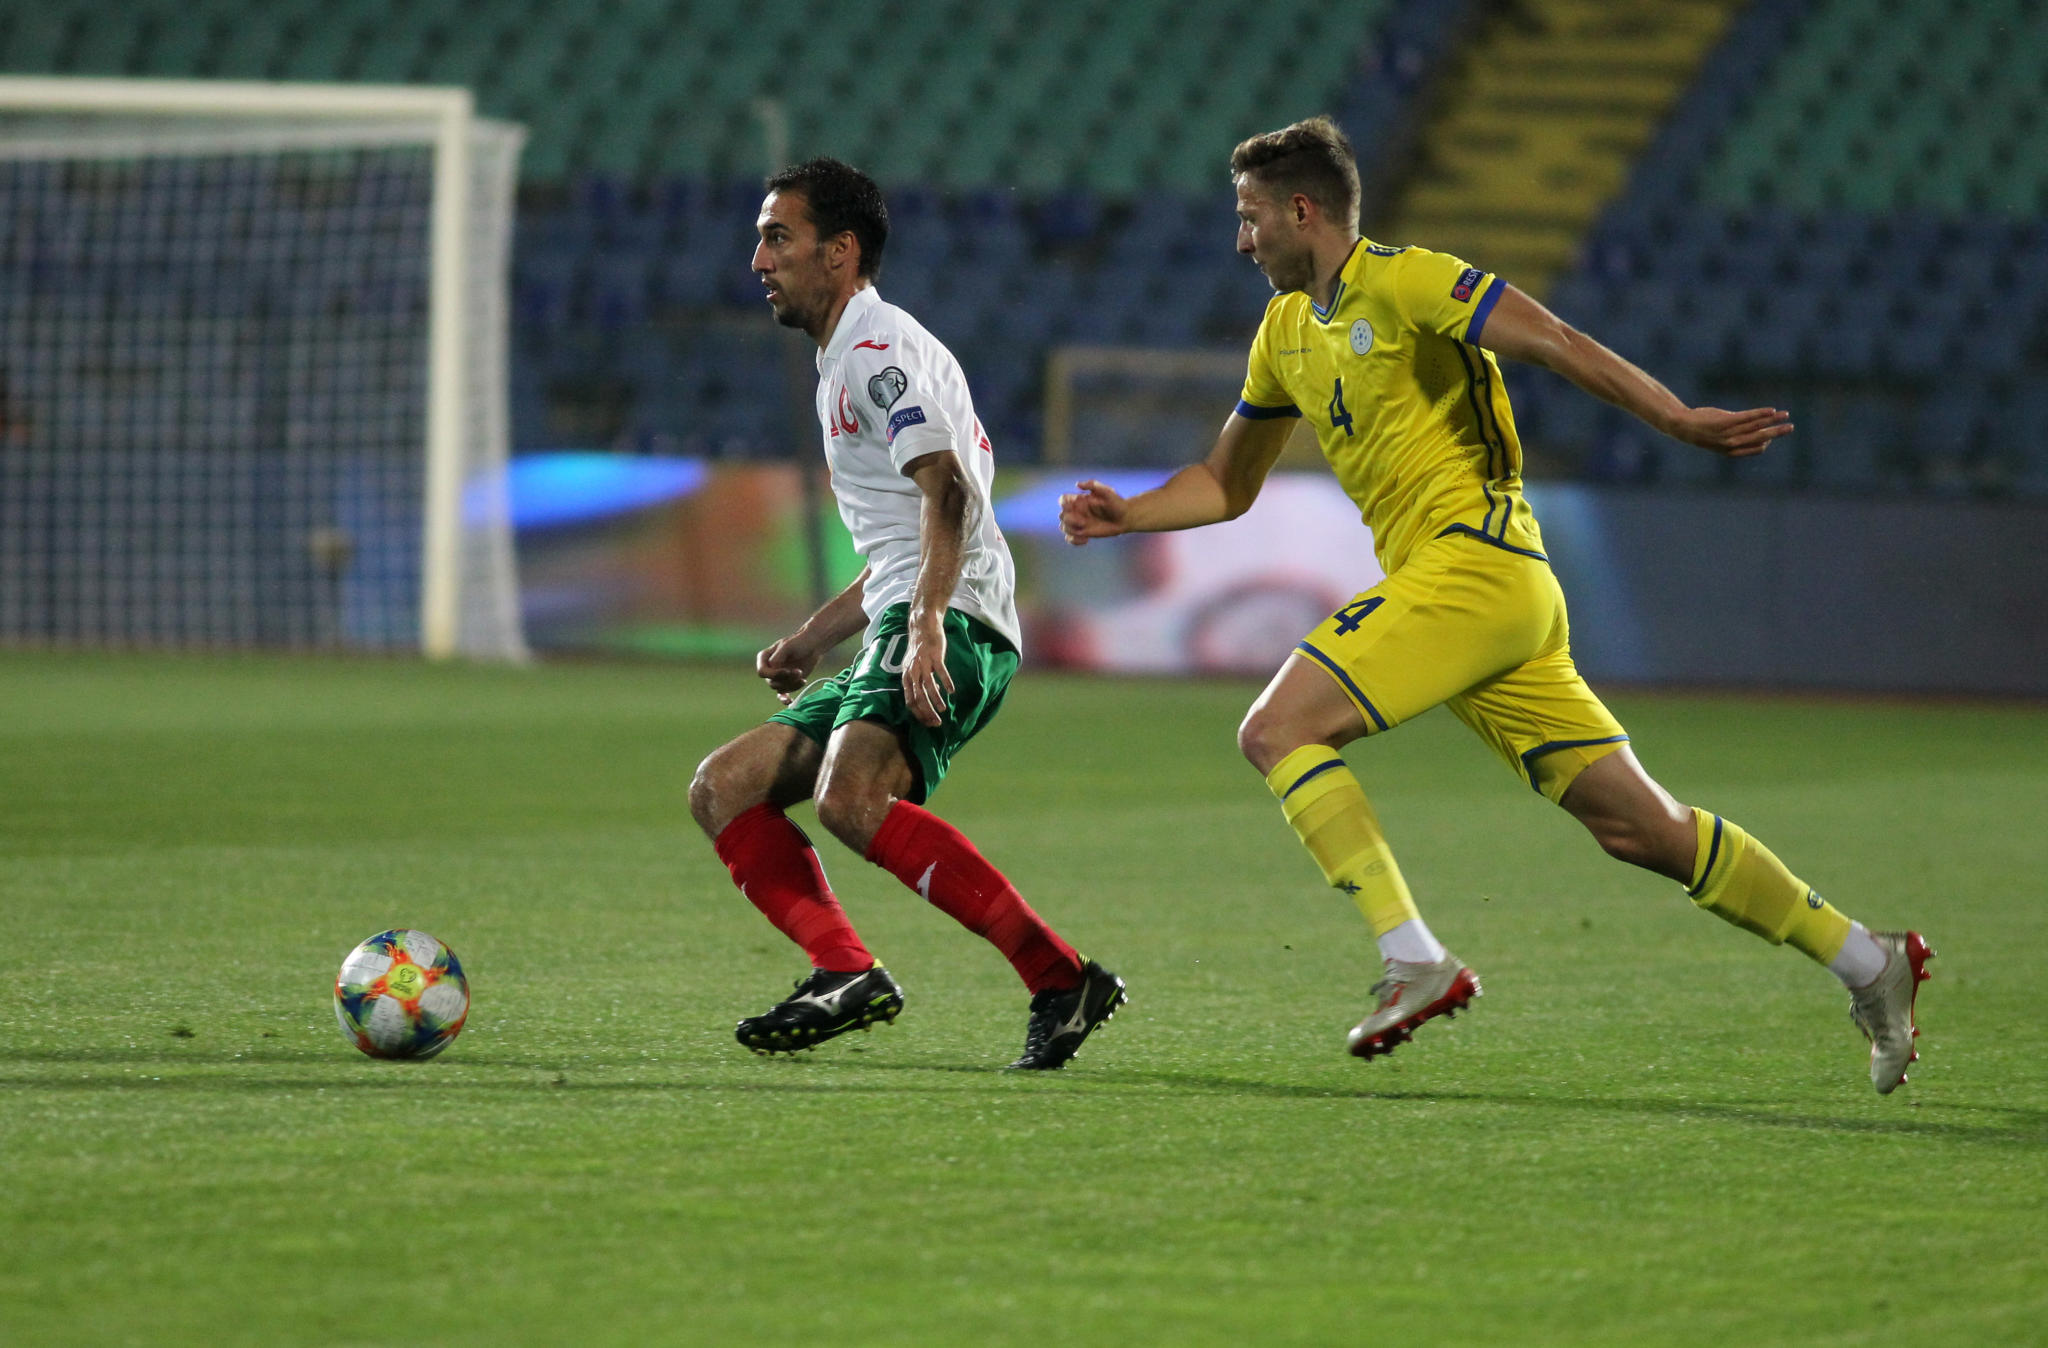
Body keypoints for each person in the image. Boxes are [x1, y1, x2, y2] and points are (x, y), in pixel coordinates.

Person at [1058, 117, 1931, 1093]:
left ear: (1302, 210)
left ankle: (1412, 958)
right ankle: (1868, 959)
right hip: (1478, 600)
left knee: (1276, 729)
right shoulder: (1283, 332)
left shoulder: (1410, 281)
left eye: (1250, 216)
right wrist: (1130, 512)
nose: (1240, 239)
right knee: (1640, 829)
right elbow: (1227, 483)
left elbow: (1553, 340)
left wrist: (1677, 417)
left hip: (1473, 563)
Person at [691, 157, 1125, 1070]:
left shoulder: (875, 353)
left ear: (840, 251)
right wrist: (812, 638)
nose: (759, 259)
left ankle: (1057, 977)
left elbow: (949, 490)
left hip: (953, 616)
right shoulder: (852, 355)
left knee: (851, 799)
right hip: (921, 605)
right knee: (724, 787)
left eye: (778, 237)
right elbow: (903, 539)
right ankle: (844, 970)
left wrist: (925, 622)